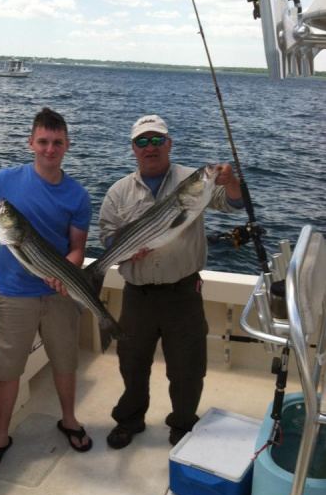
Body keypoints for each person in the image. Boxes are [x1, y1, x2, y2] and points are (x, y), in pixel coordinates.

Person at [0, 107, 93, 472]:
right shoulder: (6, 180)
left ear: (67, 146)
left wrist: (67, 273)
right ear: (31, 143)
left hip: (59, 293)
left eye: (57, 143)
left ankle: (69, 419)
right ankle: (1, 435)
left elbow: (77, 247)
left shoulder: (78, 196)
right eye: (43, 142)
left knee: (65, 362)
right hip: (14, 294)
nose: (50, 149)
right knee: (8, 369)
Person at [99, 114, 244, 449]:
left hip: (183, 293)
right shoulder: (118, 191)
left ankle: (182, 424)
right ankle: (129, 420)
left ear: (169, 143)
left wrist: (231, 179)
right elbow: (107, 234)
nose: (150, 148)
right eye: (142, 142)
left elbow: (234, 204)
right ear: (133, 149)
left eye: (157, 140)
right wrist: (119, 248)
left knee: (188, 367)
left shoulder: (193, 181)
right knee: (132, 362)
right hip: (138, 293)